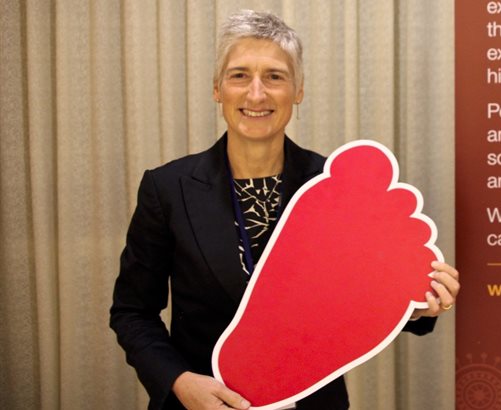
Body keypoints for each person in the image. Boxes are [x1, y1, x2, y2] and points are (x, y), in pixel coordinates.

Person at [110, 10, 460, 410]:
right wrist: (179, 381)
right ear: (217, 89)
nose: (256, 94)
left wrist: (418, 306)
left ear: (298, 91)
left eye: (274, 77)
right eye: (239, 75)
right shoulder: (168, 188)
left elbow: (365, 297)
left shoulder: (339, 188)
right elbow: (132, 311)